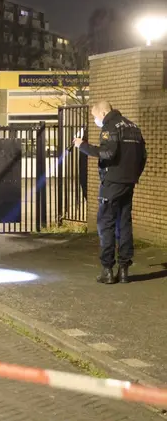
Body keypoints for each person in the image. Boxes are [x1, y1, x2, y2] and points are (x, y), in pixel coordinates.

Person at [73, 101, 147, 284]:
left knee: (106, 225)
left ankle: (107, 270)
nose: (96, 120)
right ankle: (124, 270)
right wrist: (134, 176)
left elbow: (107, 153)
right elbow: (143, 156)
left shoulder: (110, 126)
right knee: (124, 224)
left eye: (96, 116)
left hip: (112, 183)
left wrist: (83, 146)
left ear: (104, 112)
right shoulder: (133, 126)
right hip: (128, 183)